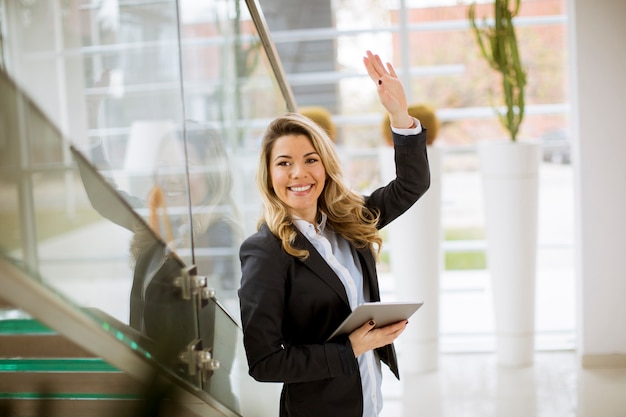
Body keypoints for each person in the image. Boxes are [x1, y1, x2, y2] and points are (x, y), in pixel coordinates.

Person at [238, 50, 431, 417]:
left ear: (325, 166)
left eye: (311, 159)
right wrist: (351, 349)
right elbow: (264, 362)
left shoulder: (347, 220)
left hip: (367, 401)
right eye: (284, 163)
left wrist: (399, 115)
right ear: (269, 174)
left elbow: (412, 184)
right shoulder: (265, 251)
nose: (299, 173)